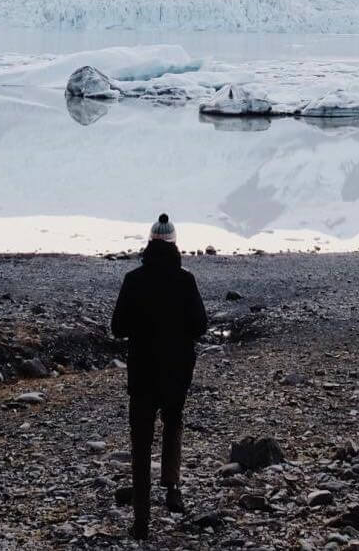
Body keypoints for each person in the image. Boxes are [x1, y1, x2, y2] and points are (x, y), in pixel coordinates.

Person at [111, 213, 208, 541]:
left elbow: (118, 328)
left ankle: (141, 520)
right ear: (174, 244)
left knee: (140, 442)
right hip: (176, 372)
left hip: (142, 373)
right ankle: (172, 487)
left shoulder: (133, 280)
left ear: (150, 242)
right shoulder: (185, 281)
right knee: (173, 424)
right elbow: (200, 327)